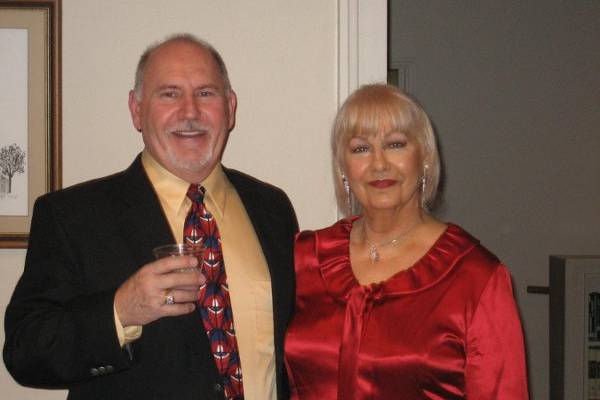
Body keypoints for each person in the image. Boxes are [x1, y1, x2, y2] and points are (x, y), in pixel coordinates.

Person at [4, 34, 298, 400]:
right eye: (169, 94)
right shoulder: (73, 216)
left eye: (205, 93)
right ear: (136, 109)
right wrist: (119, 311)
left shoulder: (272, 210)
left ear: (231, 107)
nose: (190, 112)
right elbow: (25, 352)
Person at [284, 84, 529, 399]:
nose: (379, 163)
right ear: (343, 168)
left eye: (396, 144)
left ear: (424, 157)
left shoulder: (477, 277)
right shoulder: (306, 258)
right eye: (360, 148)